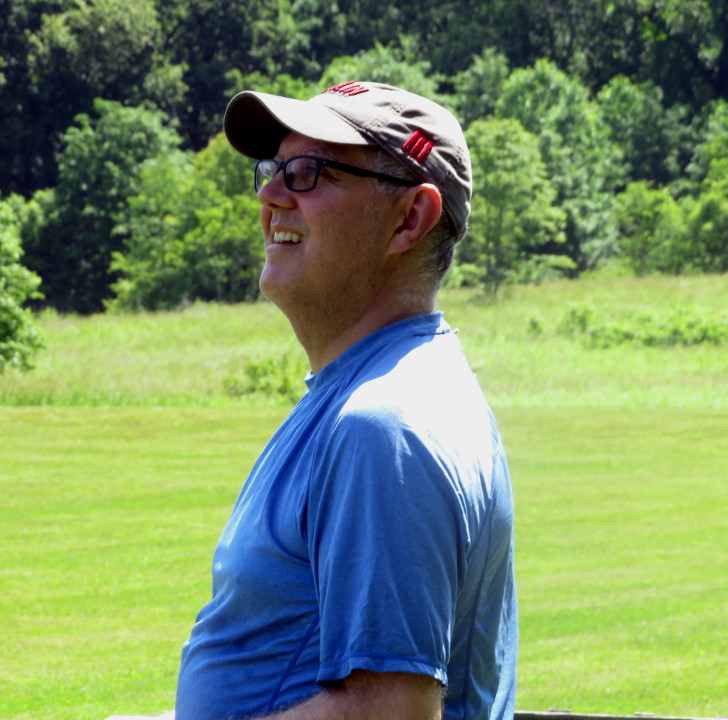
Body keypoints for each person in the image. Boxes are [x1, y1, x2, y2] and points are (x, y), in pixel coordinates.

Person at [113, 80, 517, 720]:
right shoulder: (380, 392)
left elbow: (390, 713)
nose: (270, 195)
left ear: (409, 218)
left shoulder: (384, 427)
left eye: (308, 172)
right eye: (273, 169)